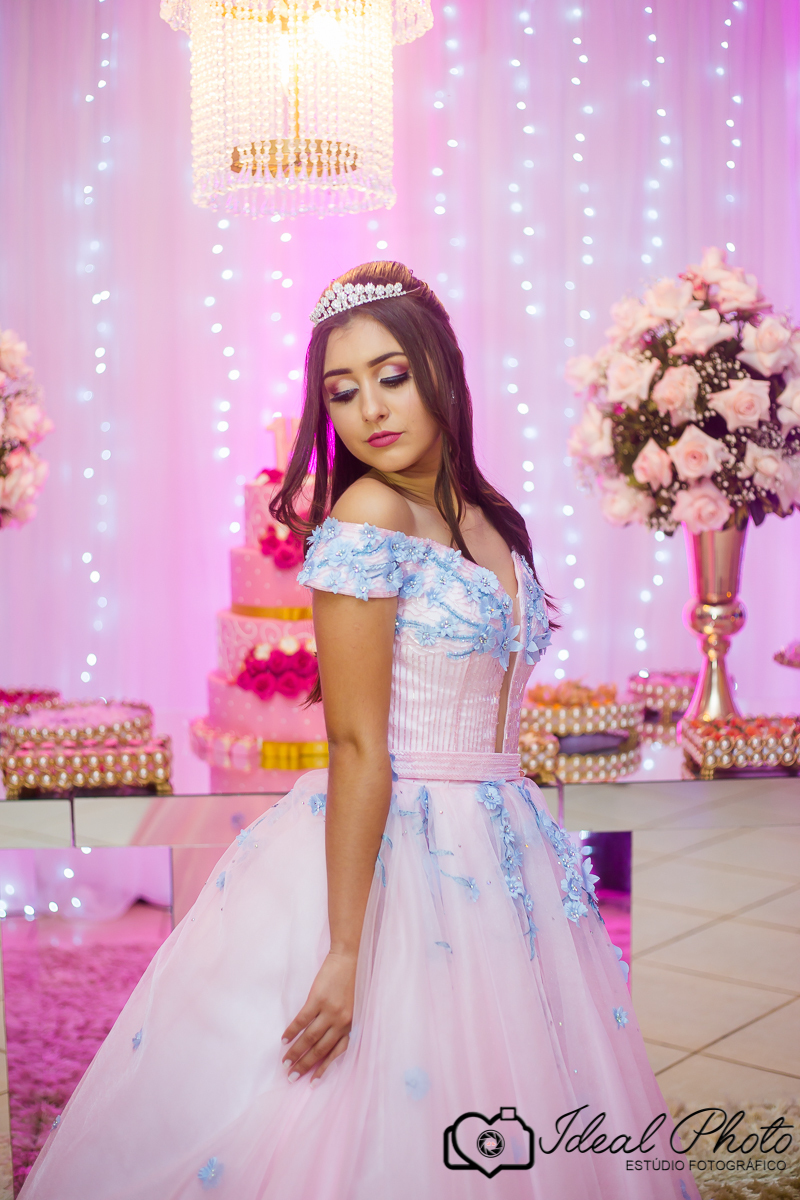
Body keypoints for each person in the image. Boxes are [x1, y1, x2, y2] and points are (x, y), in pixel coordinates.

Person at [20, 262, 699, 1199]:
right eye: (342, 391)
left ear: (442, 372)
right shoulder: (369, 515)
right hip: (398, 840)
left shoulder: (496, 520)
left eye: (392, 375)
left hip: (507, 838)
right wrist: (345, 951)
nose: (370, 408)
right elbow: (354, 744)